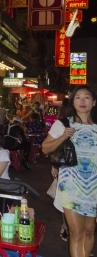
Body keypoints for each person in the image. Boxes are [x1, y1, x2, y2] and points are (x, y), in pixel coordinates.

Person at [42, 85, 97, 257]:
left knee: (89, 231)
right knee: (76, 232)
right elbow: (45, 148)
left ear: (94, 102)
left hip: (94, 186)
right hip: (70, 185)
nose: (82, 101)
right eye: (78, 97)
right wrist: (64, 136)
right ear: (73, 102)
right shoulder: (63, 124)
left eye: (86, 97)